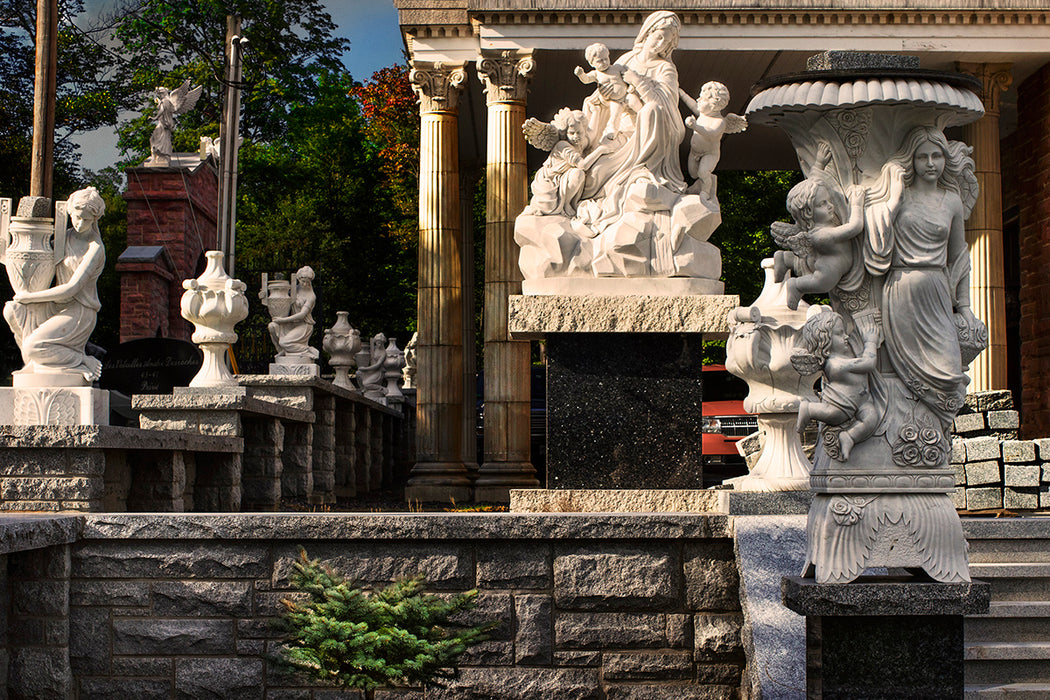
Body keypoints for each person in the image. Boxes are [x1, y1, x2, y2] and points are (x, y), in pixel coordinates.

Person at [865, 126, 983, 428]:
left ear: (945, 159)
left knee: (949, 370)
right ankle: (907, 429)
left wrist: (965, 306)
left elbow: (958, 257)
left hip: (937, 289)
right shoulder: (899, 196)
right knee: (900, 369)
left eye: (937, 156)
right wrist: (890, 203)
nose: (931, 163)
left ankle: (934, 434)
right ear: (912, 160)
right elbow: (876, 240)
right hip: (902, 288)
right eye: (923, 157)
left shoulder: (952, 200)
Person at [4, 187, 106, 381]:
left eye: (87, 219)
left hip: (79, 311)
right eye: (77, 217)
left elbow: (72, 289)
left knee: (34, 346)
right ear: (70, 213)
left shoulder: (95, 248)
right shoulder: (64, 237)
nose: (81, 223)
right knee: (12, 310)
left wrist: (29, 297)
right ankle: (35, 364)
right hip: (54, 305)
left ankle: (82, 359)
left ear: (95, 219)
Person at [791, 311, 881, 460]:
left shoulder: (846, 356)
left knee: (870, 419)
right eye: (840, 333)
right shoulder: (835, 364)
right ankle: (808, 409)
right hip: (841, 405)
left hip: (862, 402)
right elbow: (869, 363)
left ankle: (849, 437)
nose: (846, 337)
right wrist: (870, 341)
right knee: (833, 415)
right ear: (824, 340)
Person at [771, 179, 866, 310]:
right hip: (827, 272)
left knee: (807, 262)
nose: (830, 206)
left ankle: (785, 259)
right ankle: (796, 285)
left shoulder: (828, 225)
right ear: (808, 213)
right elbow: (855, 227)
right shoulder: (821, 235)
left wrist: (820, 162)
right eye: (822, 204)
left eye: (829, 201)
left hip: (832, 264)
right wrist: (856, 204)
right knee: (822, 284)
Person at [678, 81, 747, 199]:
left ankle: (706, 191)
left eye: (703, 99)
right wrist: (680, 92)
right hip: (694, 152)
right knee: (693, 174)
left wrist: (695, 127)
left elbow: (711, 134)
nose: (698, 100)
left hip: (709, 154)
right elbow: (690, 103)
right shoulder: (702, 114)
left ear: (714, 105)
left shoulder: (720, 122)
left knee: (702, 172)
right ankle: (699, 185)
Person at [575, 43, 630, 139]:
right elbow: (586, 79)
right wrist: (581, 74)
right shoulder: (596, 74)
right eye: (600, 61)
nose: (604, 62)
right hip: (615, 101)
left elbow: (628, 75)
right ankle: (612, 129)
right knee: (615, 115)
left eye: (606, 59)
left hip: (627, 96)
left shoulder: (616, 68)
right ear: (592, 63)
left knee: (638, 105)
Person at [268, 266, 319, 359]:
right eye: (303, 281)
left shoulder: (311, 296)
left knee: (284, 342)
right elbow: (281, 300)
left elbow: (302, 315)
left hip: (303, 325)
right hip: (290, 324)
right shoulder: (293, 289)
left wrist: (282, 320)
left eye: (308, 282)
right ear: (298, 278)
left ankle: (308, 350)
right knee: (272, 326)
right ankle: (283, 351)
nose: (305, 284)